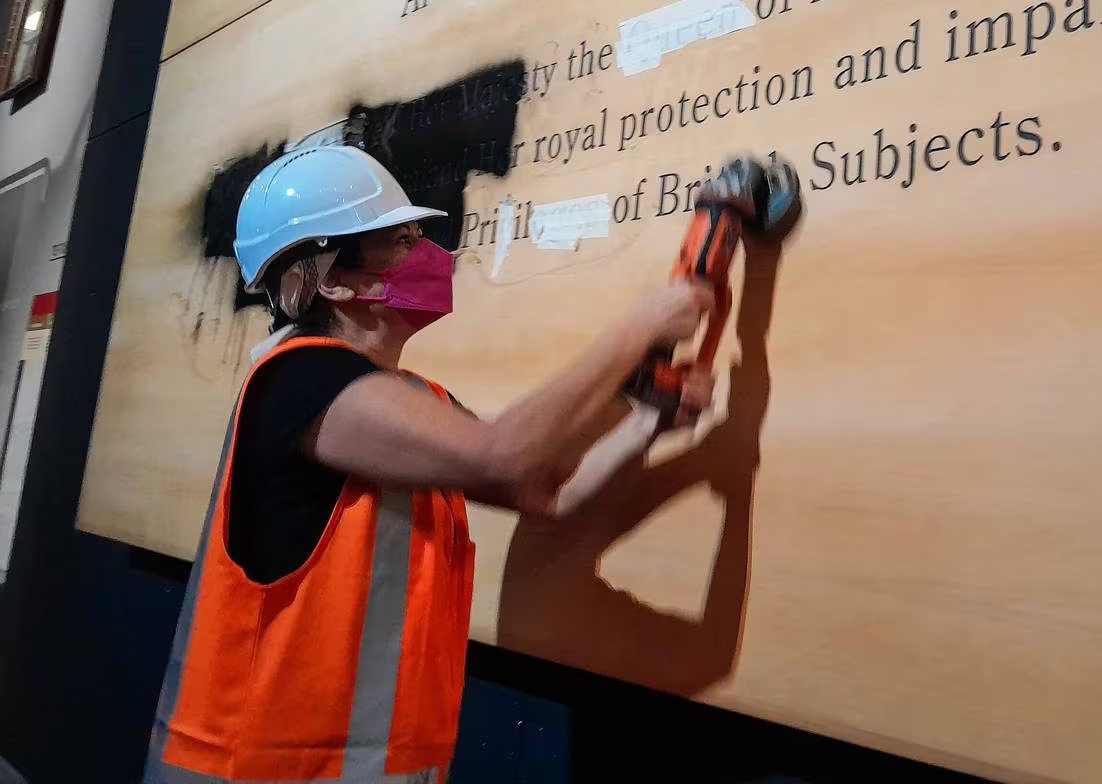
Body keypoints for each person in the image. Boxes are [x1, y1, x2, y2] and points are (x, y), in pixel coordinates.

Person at [145, 145, 713, 783]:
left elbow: (542, 489)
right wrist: (638, 327)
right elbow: (503, 457)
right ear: (333, 279)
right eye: (400, 239)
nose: (431, 255)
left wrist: (645, 422)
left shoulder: (416, 400)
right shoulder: (297, 379)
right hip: (257, 768)